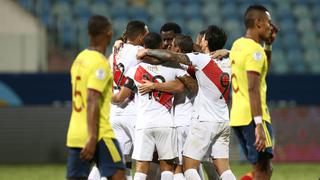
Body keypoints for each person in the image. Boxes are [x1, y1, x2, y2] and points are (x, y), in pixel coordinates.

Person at [137, 25, 236, 180]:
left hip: (205, 121)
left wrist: (147, 51)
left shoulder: (202, 59)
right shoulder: (229, 60)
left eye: (203, 38)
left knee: (189, 168)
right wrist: (228, 51)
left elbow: (172, 56)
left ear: (206, 41)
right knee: (224, 169)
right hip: (223, 120)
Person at [113, 32, 186, 180]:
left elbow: (120, 97)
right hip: (166, 123)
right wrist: (158, 86)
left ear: (144, 47)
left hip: (144, 124)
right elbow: (180, 87)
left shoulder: (135, 71)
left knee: (141, 167)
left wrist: (104, 95)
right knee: (167, 166)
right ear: (161, 46)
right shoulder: (172, 67)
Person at [66, 15, 125, 180]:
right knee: (119, 175)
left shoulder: (79, 59)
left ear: (89, 33)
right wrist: (92, 137)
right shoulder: (99, 62)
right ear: (109, 33)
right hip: (99, 135)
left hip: (75, 134)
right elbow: (92, 99)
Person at [139, 35, 198, 180]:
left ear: (177, 48)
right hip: (186, 120)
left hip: (174, 121)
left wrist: (153, 85)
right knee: (186, 167)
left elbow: (180, 87)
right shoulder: (195, 63)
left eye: (170, 44)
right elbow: (190, 87)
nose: (167, 46)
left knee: (176, 168)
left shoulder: (140, 65)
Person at [229, 5, 277, 180]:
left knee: (259, 168)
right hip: (254, 116)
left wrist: (268, 46)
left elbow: (262, 72)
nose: (270, 27)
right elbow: (253, 87)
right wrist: (258, 124)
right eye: (268, 22)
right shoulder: (254, 51)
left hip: (238, 116)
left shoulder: (238, 45)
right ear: (258, 23)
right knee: (263, 170)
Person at [109, 20, 149, 180]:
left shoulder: (115, 51)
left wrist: (118, 41)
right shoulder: (140, 51)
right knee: (145, 159)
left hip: (115, 113)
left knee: (120, 162)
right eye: (146, 34)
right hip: (134, 112)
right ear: (140, 37)